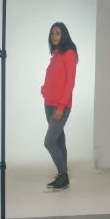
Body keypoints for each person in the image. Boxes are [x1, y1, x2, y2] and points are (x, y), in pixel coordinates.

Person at [41, 22, 78, 190]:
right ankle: (62, 171)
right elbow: (52, 78)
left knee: (49, 141)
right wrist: (44, 90)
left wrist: (62, 106)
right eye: (52, 33)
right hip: (49, 104)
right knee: (58, 139)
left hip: (60, 106)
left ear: (64, 35)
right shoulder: (56, 54)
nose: (54, 36)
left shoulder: (69, 54)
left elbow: (70, 83)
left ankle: (64, 177)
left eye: (57, 33)